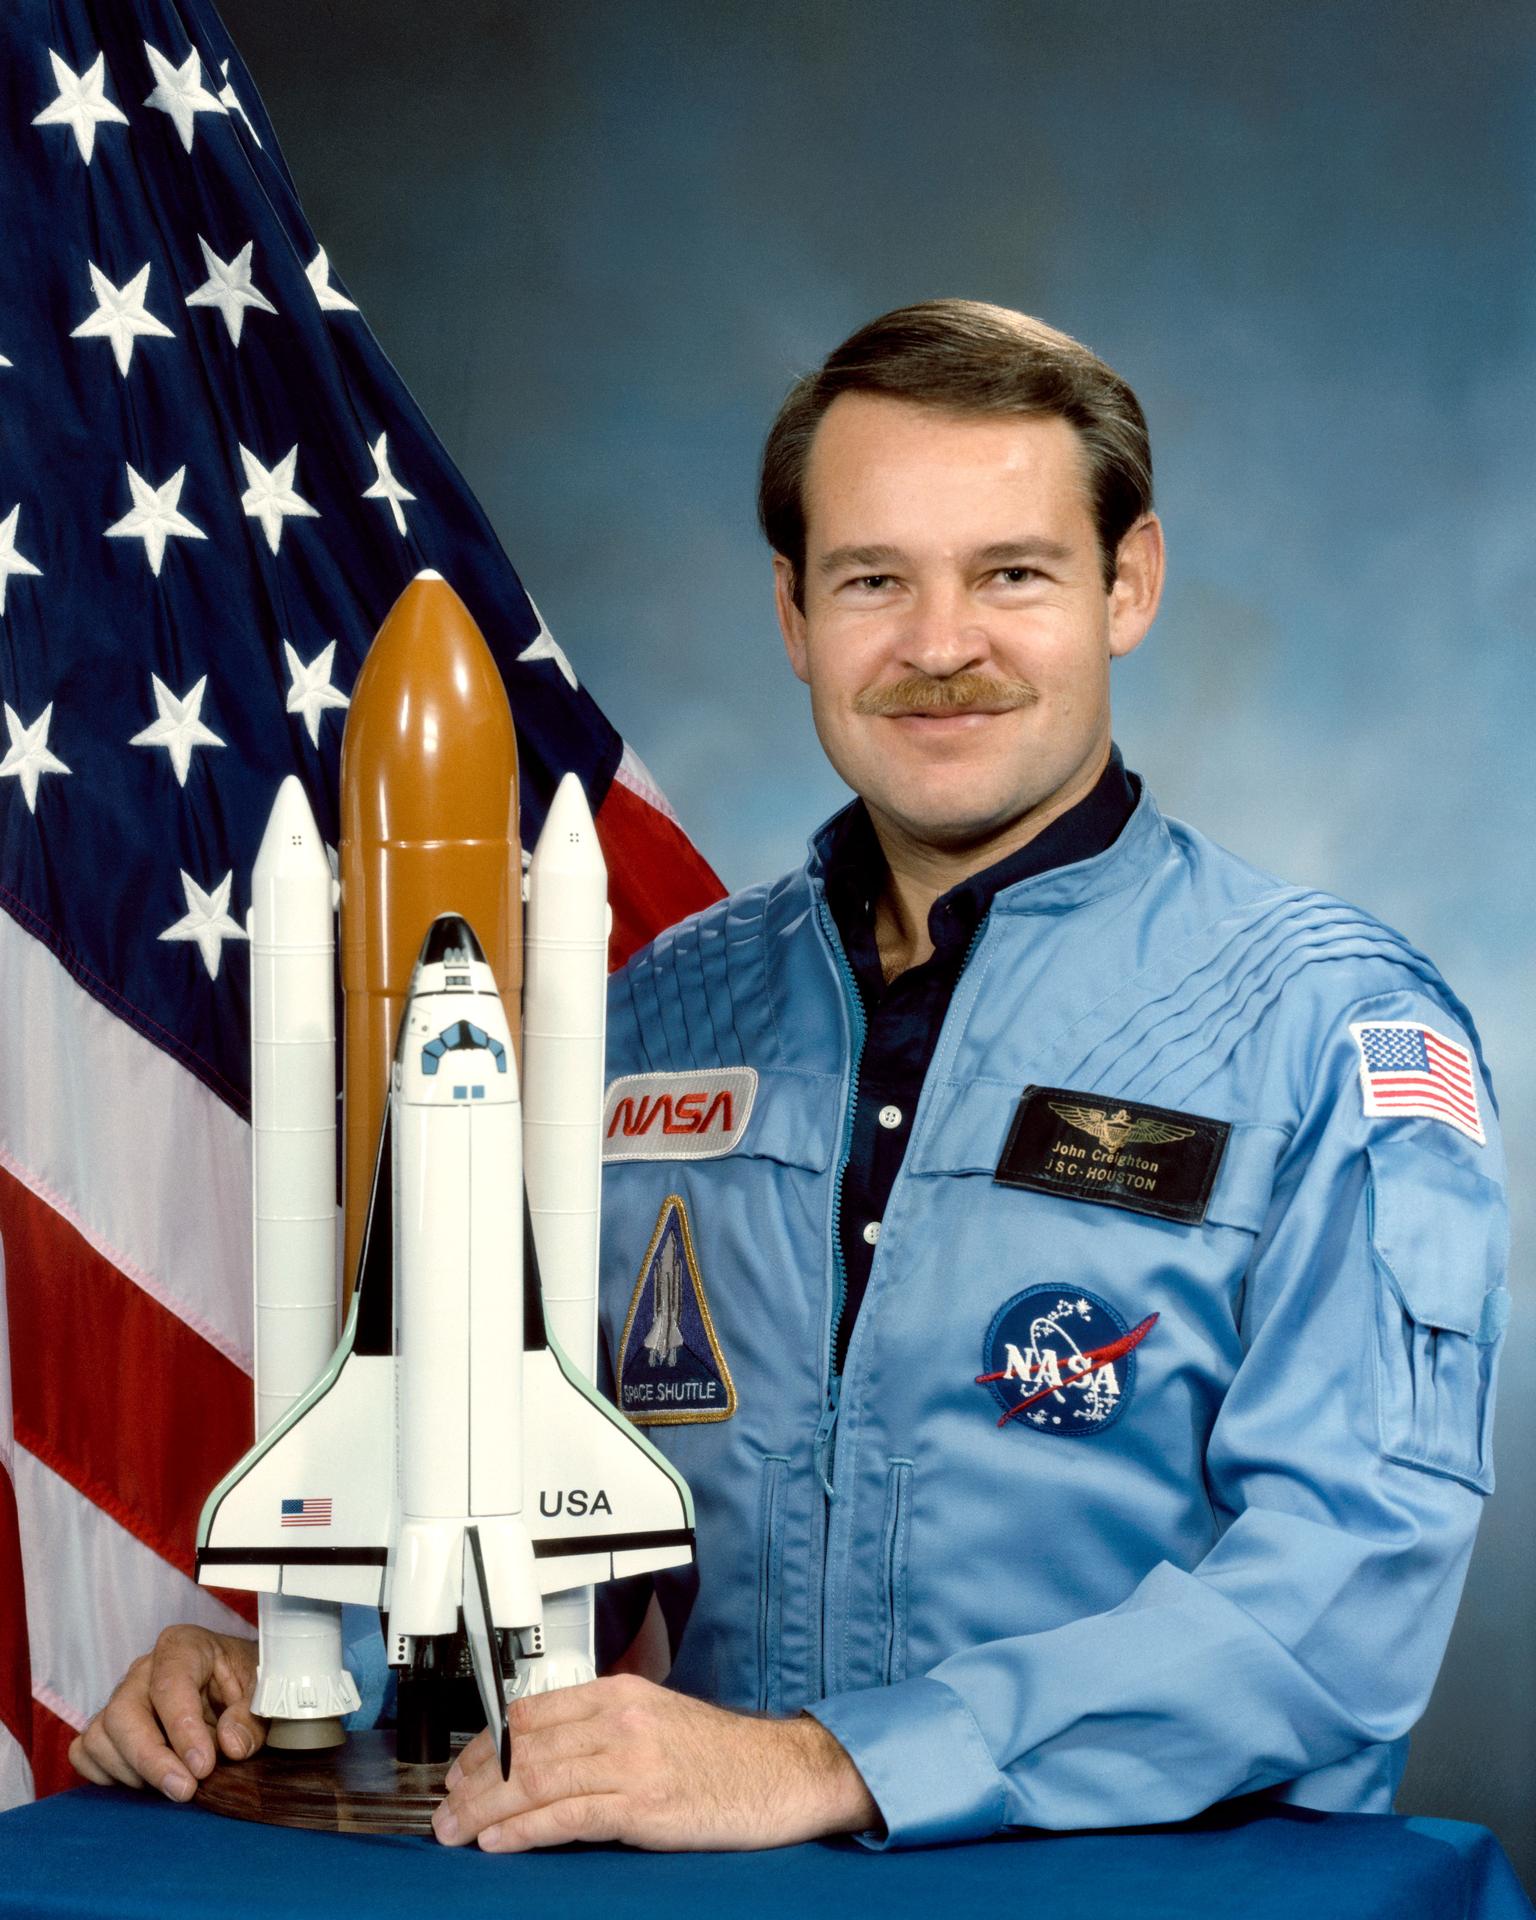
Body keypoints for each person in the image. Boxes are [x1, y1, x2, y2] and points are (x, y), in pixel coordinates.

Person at [71, 301, 1508, 1856]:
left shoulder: (1323, 1028)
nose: (939, 645)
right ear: (793, 613)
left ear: (1128, 585)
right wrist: (306, 1685)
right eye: (874, 579)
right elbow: (526, 1532)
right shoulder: (652, 1026)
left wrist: (834, 1764)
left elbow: (1345, 1589)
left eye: (1012, 574)